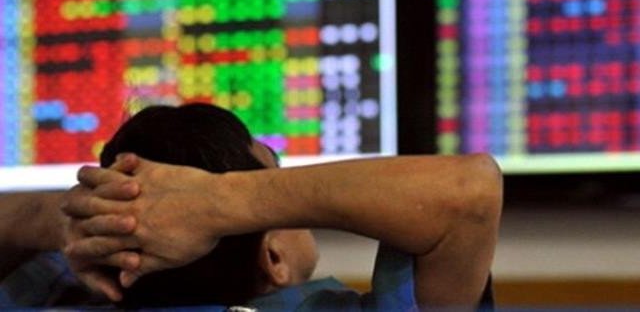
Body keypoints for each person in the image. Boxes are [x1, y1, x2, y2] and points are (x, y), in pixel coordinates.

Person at [1, 103, 502, 310]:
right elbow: (468, 190)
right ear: (273, 257)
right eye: (274, 173)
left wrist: (80, 217)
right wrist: (226, 200)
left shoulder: (52, 292)